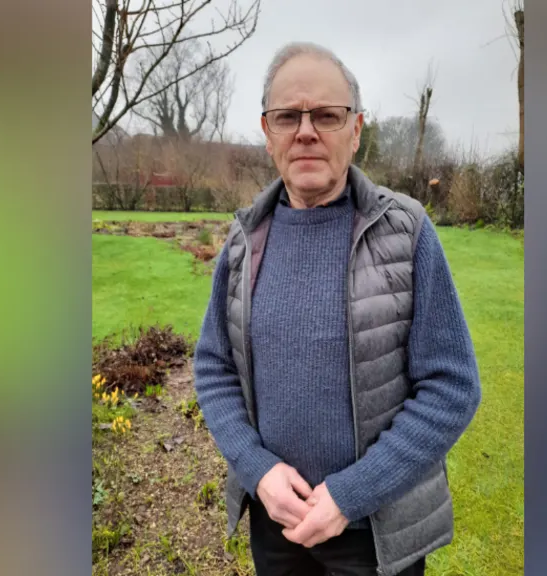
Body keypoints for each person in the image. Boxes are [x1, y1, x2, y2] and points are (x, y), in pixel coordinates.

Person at [193, 42, 481, 576]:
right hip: (274, 527)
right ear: (268, 132)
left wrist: (352, 494)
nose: (306, 131)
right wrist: (257, 469)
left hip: (374, 533)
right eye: (287, 116)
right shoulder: (244, 240)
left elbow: (452, 385)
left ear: (355, 130)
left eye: (326, 115)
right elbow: (213, 366)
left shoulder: (407, 232)